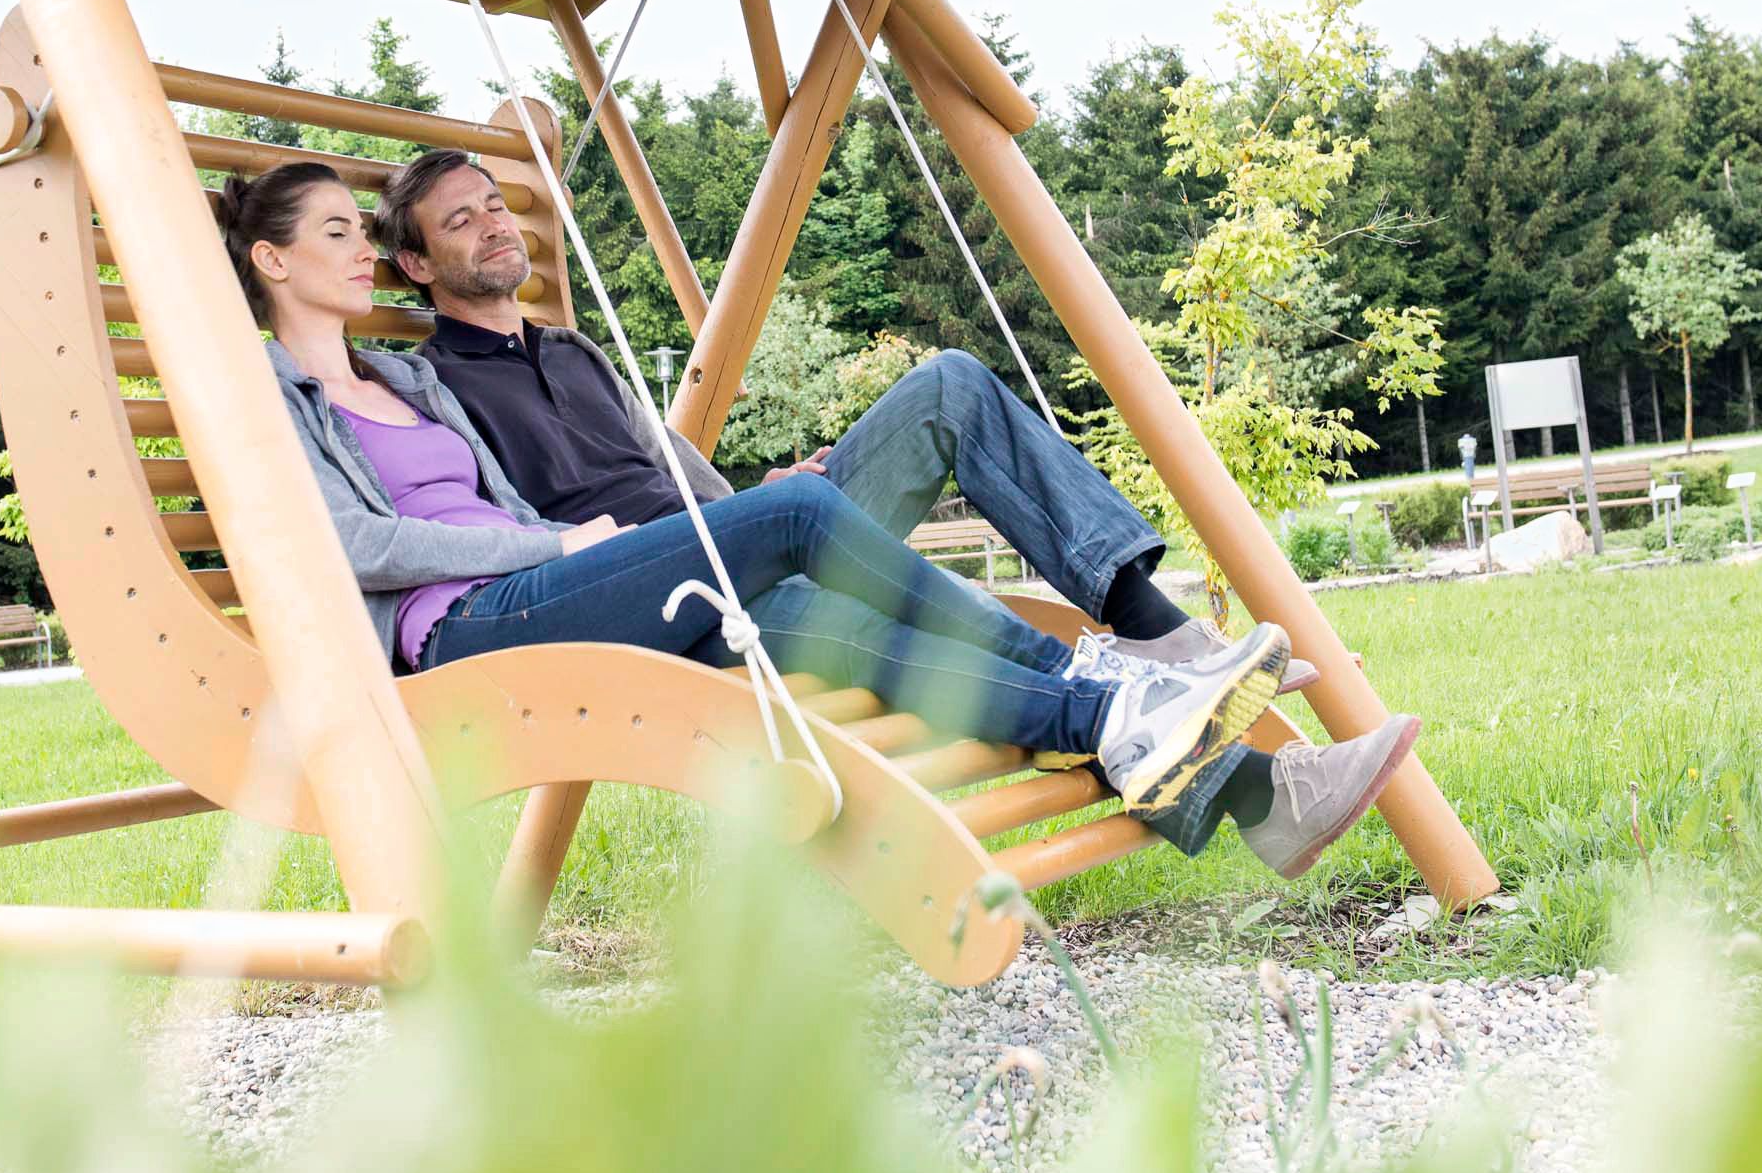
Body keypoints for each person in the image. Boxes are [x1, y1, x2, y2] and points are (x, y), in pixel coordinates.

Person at [228, 160, 1419, 871]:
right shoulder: (434, 379)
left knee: (944, 387)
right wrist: (595, 542)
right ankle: (1208, 759)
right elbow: (425, 536)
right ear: (417, 268)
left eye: (501, 208)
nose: (496, 227)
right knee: (795, 576)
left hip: (724, 544)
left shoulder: (542, 359)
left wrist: (758, 502)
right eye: (460, 223)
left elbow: (670, 471)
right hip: (620, 589)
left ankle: (1150, 639)